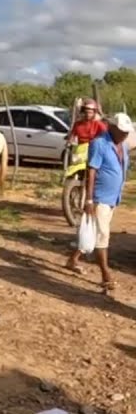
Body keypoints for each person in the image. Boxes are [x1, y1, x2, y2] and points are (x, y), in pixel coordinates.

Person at [66, 112, 131, 293]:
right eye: (122, 131)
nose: (125, 135)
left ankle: (73, 259)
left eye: (127, 132)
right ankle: (105, 275)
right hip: (100, 197)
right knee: (103, 236)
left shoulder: (123, 145)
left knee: (94, 232)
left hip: (113, 197)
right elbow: (92, 171)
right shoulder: (99, 144)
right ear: (112, 127)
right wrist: (89, 198)